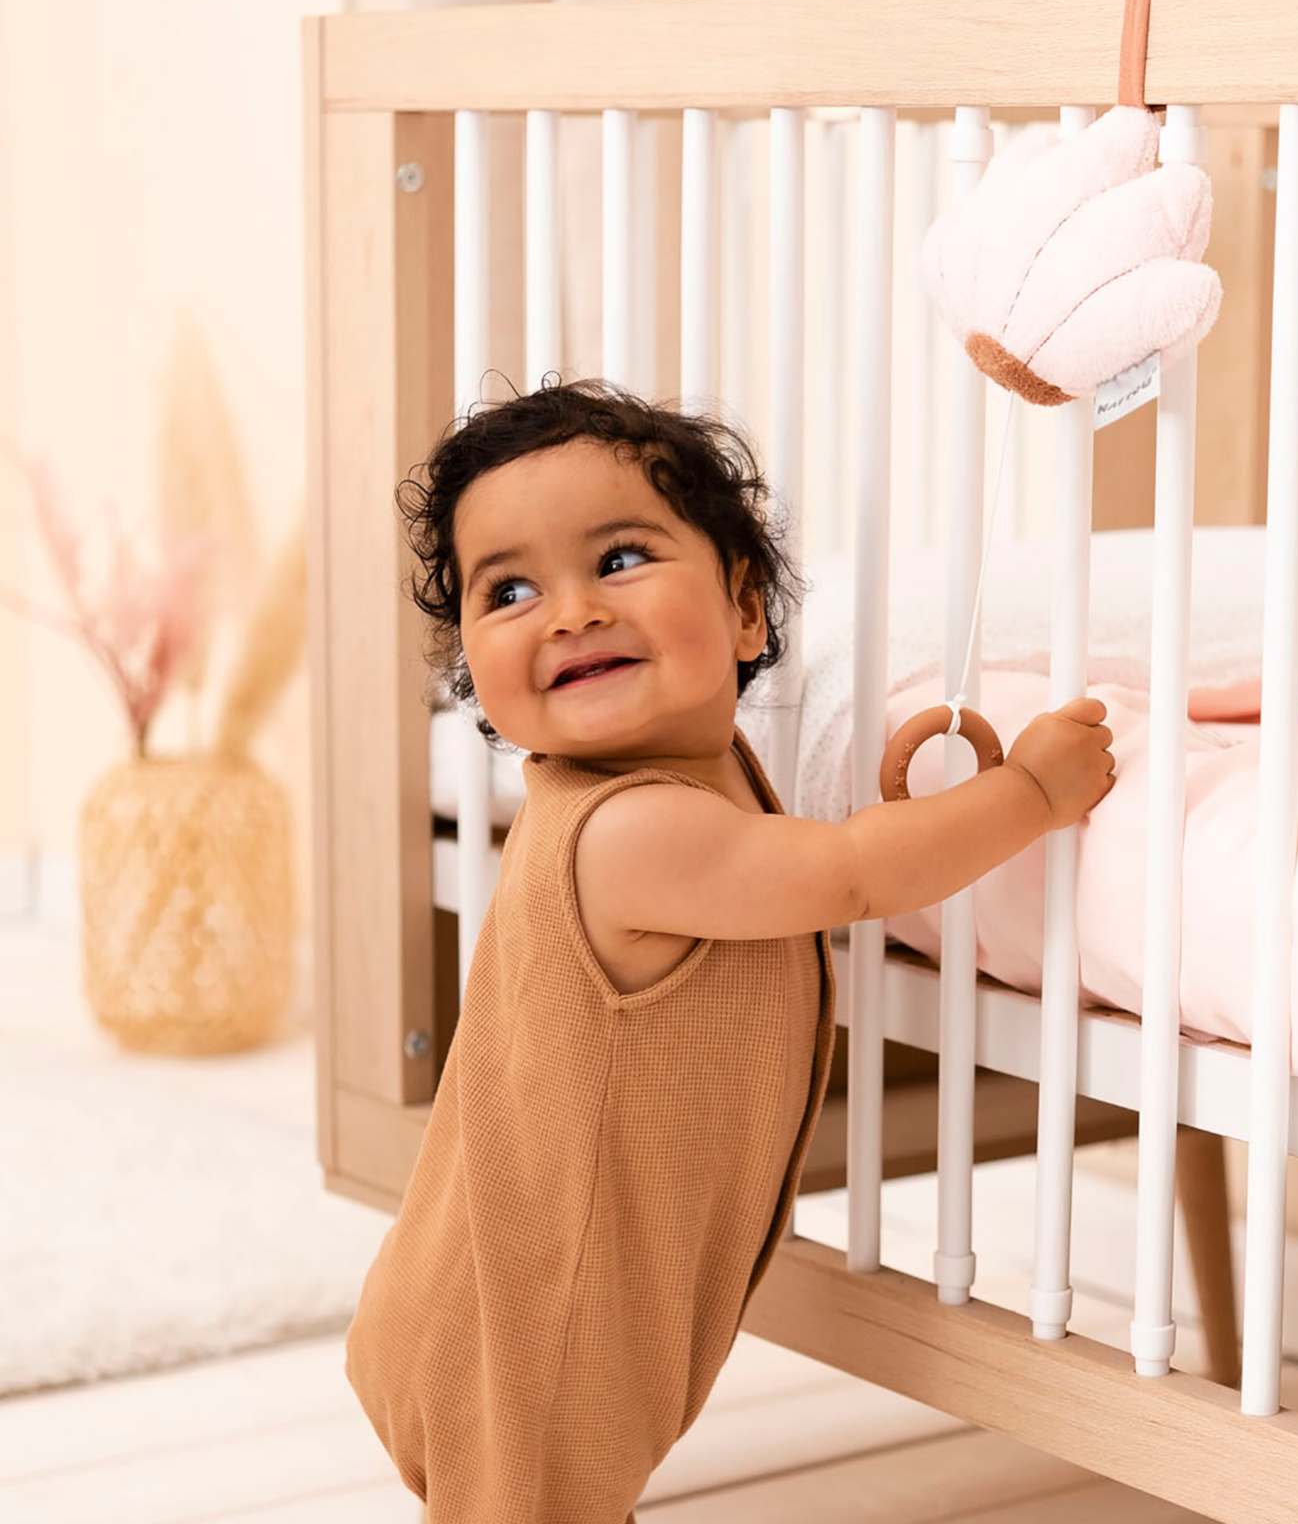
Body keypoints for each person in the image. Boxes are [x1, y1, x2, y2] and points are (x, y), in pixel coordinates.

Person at [343, 378, 1116, 1523]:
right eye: (508, 590)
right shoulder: (627, 832)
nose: (568, 613)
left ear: (747, 614)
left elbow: (822, 850)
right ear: (482, 689)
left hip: (514, 1288)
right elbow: (853, 870)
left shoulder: (690, 793)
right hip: (532, 1324)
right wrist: (1029, 795)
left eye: (617, 561)